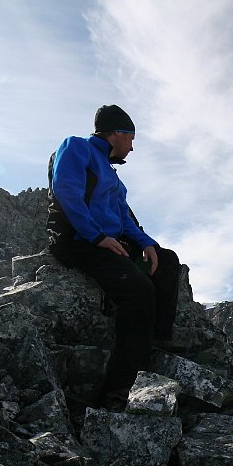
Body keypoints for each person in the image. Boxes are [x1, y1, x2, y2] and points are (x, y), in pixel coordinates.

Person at [46, 104, 180, 404]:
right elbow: (65, 190)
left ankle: (155, 343)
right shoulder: (76, 147)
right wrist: (96, 236)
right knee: (138, 290)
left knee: (167, 261)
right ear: (118, 133)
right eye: (131, 138)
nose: (132, 147)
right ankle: (122, 385)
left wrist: (147, 244)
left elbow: (124, 217)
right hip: (77, 240)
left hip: (106, 240)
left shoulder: (111, 175)